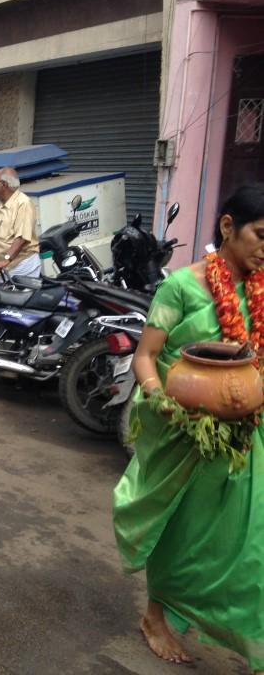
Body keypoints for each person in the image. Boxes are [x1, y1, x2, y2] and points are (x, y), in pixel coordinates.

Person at [113, 186, 264, 673]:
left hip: (248, 429)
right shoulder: (181, 287)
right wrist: (165, 404)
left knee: (247, 536)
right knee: (183, 529)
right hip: (185, 429)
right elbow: (146, 358)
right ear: (227, 227)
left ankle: (234, 622)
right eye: (260, 235)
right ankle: (157, 616)